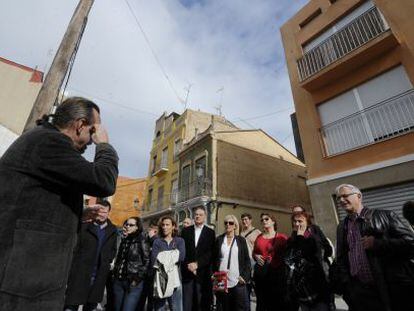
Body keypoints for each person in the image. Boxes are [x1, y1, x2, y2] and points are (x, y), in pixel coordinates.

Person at [0, 97, 118, 310]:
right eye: (93, 131)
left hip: (25, 279)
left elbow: (32, 202)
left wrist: (78, 214)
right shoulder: (49, 141)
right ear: (80, 124)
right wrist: (105, 146)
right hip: (21, 286)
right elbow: (103, 181)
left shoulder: (43, 141)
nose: (92, 140)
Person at [335, 184, 414, 311]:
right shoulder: (342, 226)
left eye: (345, 196)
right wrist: (348, 287)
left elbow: (411, 243)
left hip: (386, 291)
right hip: (359, 293)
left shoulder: (385, 216)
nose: (341, 200)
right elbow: (341, 258)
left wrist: (378, 243)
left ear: (359, 196)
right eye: (339, 198)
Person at [64, 200, 118, 311]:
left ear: (108, 213)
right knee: (71, 306)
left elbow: (113, 249)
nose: (102, 214)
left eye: (105, 212)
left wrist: (107, 261)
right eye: (100, 211)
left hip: (98, 275)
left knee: (91, 306)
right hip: (80, 273)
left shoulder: (113, 230)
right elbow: (74, 248)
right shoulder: (84, 226)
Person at [285, 211, 331, 311]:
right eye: (294, 221)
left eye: (300, 221)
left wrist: (300, 237)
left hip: (316, 287)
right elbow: (288, 259)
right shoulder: (291, 240)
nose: (297, 224)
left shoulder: (313, 238)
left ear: (307, 222)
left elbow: (309, 254)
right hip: (301, 289)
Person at [213, 215, 251, 311]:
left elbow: (247, 260)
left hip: (237, 279)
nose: (228, 225)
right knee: (222, 306)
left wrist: (245, 277)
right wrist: (212, 274)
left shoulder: (241, 240)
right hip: (220, 278)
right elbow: (213, 259)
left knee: (238, 307)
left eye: (231, 223)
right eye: (226, 223)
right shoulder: (219, 239)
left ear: (235, 225)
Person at [181, 207, 216, 311]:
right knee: (187, 303)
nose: (198, 216)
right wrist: (190, 265)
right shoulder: (186, 231)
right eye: (196, 214)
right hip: (187, 272)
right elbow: (183, 251)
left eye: (200, 214)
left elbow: (210, 253)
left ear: (205, 217)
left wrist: (197, 264)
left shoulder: (210, 232)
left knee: (201, 303)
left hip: (203, 273)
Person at [112, 217, 149, 311]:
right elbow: (120, 259)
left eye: (131, 225)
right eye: (127, 224)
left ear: (137, 227)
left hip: (133, 282)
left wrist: (137, 278)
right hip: (119, 280)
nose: (128, 226)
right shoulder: (125, 239)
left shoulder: (142, 240)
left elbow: (147, 261)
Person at [253, 213, 288, 311]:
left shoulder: (282, 237)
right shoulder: (259, 237)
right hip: (261, 276)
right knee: (262, 303)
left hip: (277, 275)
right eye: (262, 220)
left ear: (273, 221)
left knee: (277, 303)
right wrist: (256, 256)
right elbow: (254, 252)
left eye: (266, 219)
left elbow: (289, 255)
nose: (264, 221)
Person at [151, 216, 185, 311]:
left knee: (176, 308)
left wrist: (163, 255)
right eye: (163, 225)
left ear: (173, 226)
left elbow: (181, 257)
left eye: (167, 225)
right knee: (160, 308)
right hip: (160, 280)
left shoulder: (179, 241)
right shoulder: (157, 242)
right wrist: (173, 254)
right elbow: (154, 260)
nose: (164, 227)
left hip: (175, 280)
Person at [136, 219, 159, 311]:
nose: (149, 231)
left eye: (151, 229)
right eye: (150, 229)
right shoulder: (145, 238)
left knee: (150, 295)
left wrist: (153, 237)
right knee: (142, 294)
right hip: (144, 271)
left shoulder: (157, 240)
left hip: (152, 271)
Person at [240, 213, 261, 310]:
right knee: (246, 291)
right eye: (243, 220)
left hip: (255, 264)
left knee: (259, 291)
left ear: (250, 220)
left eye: (246, 219)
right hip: (245, 265)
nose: (244, 221)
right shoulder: (240, 234)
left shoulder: (257, 232)